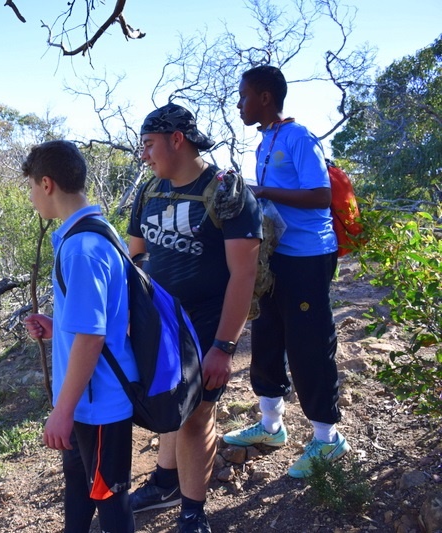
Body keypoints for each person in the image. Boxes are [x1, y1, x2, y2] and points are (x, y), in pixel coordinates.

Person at [126, 103, 262, 532]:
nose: (144, 155)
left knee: (197, 415)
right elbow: (136, 256)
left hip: (206, 323)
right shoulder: (150, 192)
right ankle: (166, 481)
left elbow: (244, 273)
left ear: (176, 140)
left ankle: (192, 512)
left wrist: (224, 347)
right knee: (168, 404)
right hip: (161, 325)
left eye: (149, 145)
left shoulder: (226, 193)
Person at [223, 65, 350, 477]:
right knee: (268, 334)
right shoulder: (265, 142)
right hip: (276, 257)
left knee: (309, 343)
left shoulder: (298, 137)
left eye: (243, 96)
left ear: (264, 97)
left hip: (309, 257)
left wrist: (262, 191)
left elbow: (320, 195)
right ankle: (270, 426)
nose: (239, 104)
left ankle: (328, 439)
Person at [22, 140, 137, 533]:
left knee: (110, 501)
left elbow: (92, 339)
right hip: (87, 400)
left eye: (32, 187)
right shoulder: (93, 234)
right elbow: (97, 321)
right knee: (78, 489)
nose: (33, 197)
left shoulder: (82, 249)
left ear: (48, 184)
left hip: (99, 402)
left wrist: (62, 411)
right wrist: (58, 328)